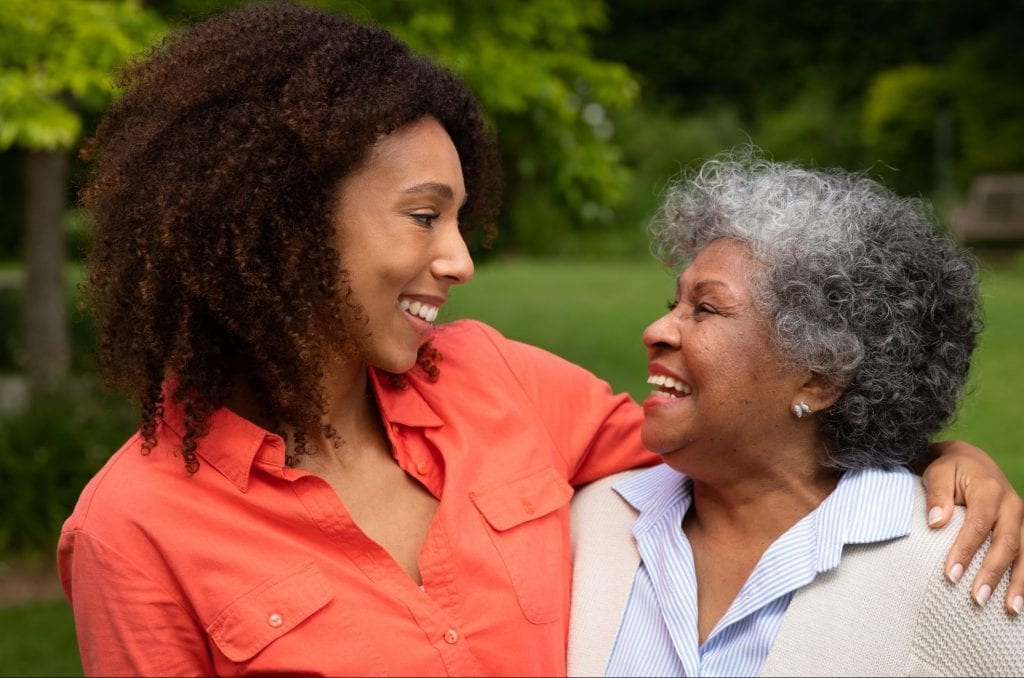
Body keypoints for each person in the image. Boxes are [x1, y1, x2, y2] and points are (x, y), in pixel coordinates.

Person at [56, 4, 1020, 676]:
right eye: (424, 216)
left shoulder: (500, 383)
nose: (460, 259)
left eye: (462, 219)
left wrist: (934, 453)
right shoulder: (132, 529)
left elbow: (748, 437)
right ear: (288, 220)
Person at [567, 151, 1024, 677]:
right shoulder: (591, 521)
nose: (658, 330)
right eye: (673, 304)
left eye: (706, 308)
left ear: (820, 377)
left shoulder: (953, 567)